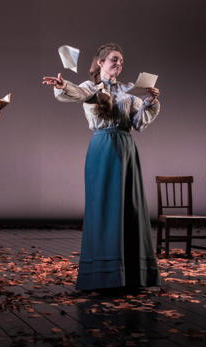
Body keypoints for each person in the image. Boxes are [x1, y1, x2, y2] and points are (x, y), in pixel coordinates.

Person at [42, 43, 161, 291]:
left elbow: (138, 123)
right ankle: (104, 275)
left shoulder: (128, 93)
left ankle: (133, 275)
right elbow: (79, 94)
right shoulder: (90, 88)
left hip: (127, 148)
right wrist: (63, 85)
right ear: (100, 62)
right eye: (114, 60)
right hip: (104, 147)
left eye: (121, 61)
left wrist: (149, 101)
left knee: (130, 206)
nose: (119, 64)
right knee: (105, 206)